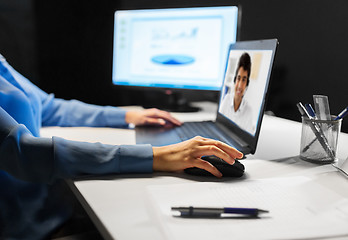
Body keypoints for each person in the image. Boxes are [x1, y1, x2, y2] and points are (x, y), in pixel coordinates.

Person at [0, 54, 243, 239]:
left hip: (54, 209)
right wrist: (157, 156)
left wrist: (128, 116)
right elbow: (24, 152)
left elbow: (51, 108)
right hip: (27, 228)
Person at [219, 52, 255, 133]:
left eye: (244, 80)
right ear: (235, 81)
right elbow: (219, 126)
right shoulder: (226, 99)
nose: (240, 85)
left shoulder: (249, 111)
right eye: (238, 78)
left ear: (247, 84)